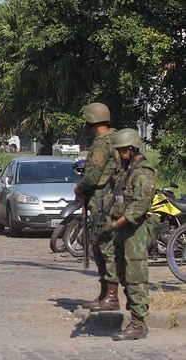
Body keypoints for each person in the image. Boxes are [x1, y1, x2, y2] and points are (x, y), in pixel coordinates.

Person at [98, 128, 156, 341]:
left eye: (122, 151)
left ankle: (138, 324)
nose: (120, 154)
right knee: (123, 275)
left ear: (132, 149)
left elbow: (138, 207)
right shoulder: (125, 169)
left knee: (136, 278)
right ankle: (135, 318)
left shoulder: (143, 172)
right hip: (121, 230)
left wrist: (114, 225)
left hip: (134, 232)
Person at [73, 102, 121, 312]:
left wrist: (79, 188)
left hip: (103, 198)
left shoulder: (102, 143)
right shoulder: (117, 138)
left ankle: (111, 296)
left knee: (103, 245)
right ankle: (104, 294)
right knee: (102, 244)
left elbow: (92, 175)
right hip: (111, 198)